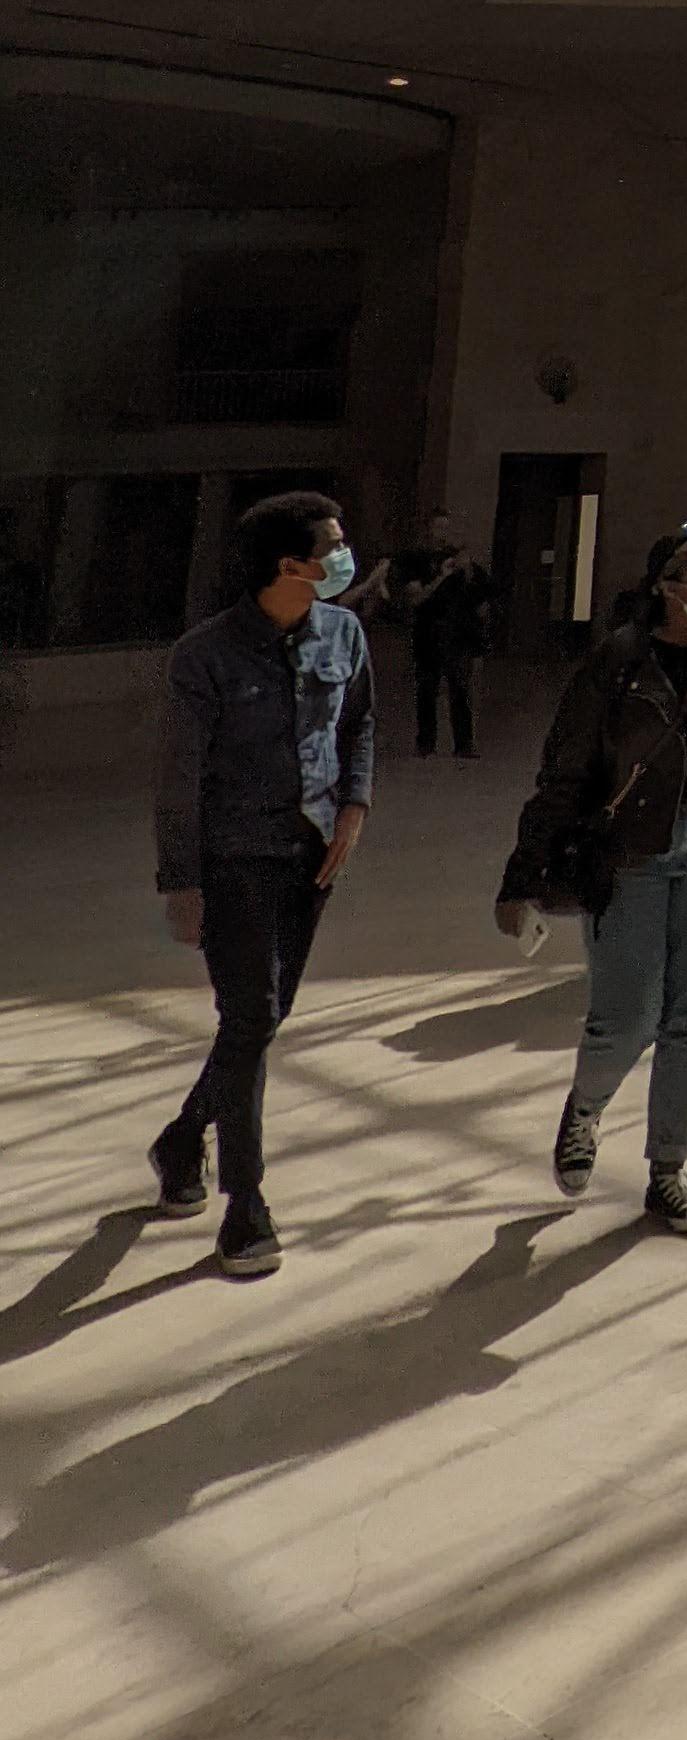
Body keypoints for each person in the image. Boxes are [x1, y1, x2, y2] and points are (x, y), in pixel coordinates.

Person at [495, 524, 687, 1236]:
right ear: (667, 586)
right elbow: (565, 770)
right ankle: (587, 1105)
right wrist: (521, 875)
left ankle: (668, 1171)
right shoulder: (619, 663)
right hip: (633, 853)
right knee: (628, 1017)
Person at [148, 489, 375, 1281]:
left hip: (312, 856)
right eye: (333, 544)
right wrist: (182, 880)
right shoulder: (204, 656)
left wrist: (354, 805)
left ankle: (182, 1139)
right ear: (291, 564)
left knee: (260, 1021)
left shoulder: (343, 632)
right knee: (251, 1016)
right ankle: (246, 1207)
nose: (346, 554)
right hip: (236, 857)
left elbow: (360, 725)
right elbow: (180, 779)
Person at [386, 511, 491, 758]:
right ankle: (425, 742)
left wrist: (466, 574)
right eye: (439, 528)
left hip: (458, 635)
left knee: (461, 689)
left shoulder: (463, 562)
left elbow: (481, 601)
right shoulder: (415, 561)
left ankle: (464, 743)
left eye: (447, 529)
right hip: (428, 632)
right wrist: (441, 577)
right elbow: (416, 599)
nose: (443, 535)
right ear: (429, 531)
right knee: (427, 688)